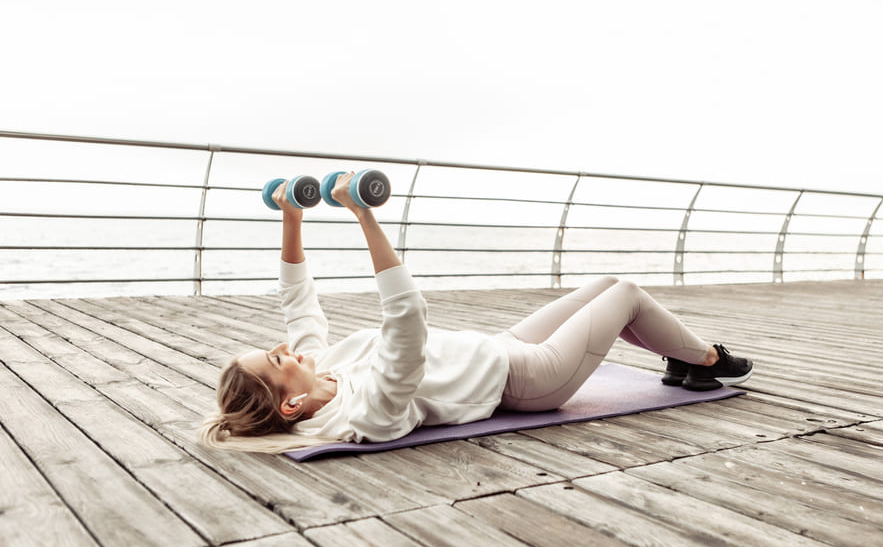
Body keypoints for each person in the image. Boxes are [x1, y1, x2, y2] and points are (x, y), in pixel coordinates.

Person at [200, 173, 753, 453]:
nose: (290, 349)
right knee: (627, 292)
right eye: (278, 359)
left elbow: (299, 306)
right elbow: (406, 321)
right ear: (293, 402)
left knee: (605, 284)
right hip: (529, 379)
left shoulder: (323, 369)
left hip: (498, 344)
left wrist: (291, 216)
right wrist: (363, 216)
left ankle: (682, 363)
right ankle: (706, 361)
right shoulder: (369, 412)